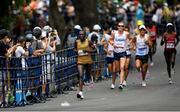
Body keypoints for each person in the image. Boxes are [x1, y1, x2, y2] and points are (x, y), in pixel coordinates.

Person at [74, 30, 96, 99]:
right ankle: (80, 92)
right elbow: (74, 49)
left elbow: (95, 50)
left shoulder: (88, 41)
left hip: (88, 61)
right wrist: (77, 51)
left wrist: (87, 51)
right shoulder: (76, 42)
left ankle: (91, 80)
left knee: (88, 75)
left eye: (82, 34)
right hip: (80, 61)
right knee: (81, 76)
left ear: (85, 35)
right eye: (80, 34)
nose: (81, 36)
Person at [110, 22, 130, 89]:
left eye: (122, 26)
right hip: (116, 52)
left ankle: (121, 83)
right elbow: (110, 40)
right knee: (116, 69)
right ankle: (113, 82)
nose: (120, 27)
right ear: (117, 27)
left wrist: (127, 44)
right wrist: (113, 44)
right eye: (119, 26)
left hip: (123, 52)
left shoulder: (126, 33)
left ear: (124, 27)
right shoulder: (114, 33)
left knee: (122, 67)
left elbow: (130, 39)